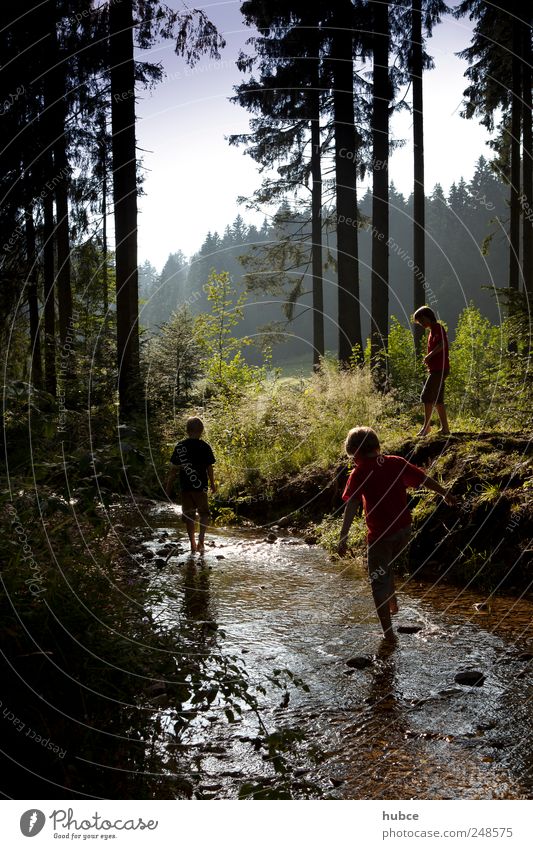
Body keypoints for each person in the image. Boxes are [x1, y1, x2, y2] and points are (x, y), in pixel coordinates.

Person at [337, 426, 456, 641]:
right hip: (404, 530)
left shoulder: (360, 472)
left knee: (377, 582)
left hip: (380, 536)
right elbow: (423, 479)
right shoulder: (396, 462)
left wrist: (343, 536)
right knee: (386, 566)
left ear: (354, 451)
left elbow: (352, 504)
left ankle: (388, 634)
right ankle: (392, 602)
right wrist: (445, 492)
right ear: (376, 446)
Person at [165, 416, 217, 554]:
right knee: (204, 513)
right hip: (200, 487)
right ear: (202, 431)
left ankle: (193, 545)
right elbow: (209, 467)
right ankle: (201, 539)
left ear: (187, 430)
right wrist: (213, 483)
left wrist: (168, 488)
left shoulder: (180, 446)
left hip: (185, 488)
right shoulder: (205, 446)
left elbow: (173, 470)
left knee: (189, 516)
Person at [413, 305, 450, 437]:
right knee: (438, 399)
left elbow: (443, 345)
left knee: (426, 396)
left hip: (439, 369)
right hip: (437, 369)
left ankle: (426, 427)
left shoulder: (438, 328)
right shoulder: (431, 331)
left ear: (428, 317)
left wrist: (429, 356)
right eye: (419, 322)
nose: (421, 324)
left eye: (422, 320)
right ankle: (445, 429)